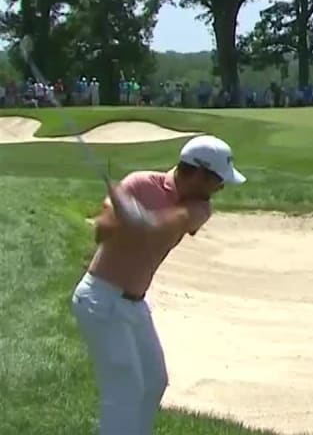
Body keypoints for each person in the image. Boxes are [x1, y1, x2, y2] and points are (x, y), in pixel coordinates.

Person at [70, 135, 246, 435]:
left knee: (153, 381)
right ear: (199, 174)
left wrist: (145, 220)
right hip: (100, 298)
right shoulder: (139, 184)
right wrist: (120, 216)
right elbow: (102, 231)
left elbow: (177, 222)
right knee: (124, 388)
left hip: (134, 305)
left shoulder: (201, 207)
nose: (221, 187)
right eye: (218, 179)